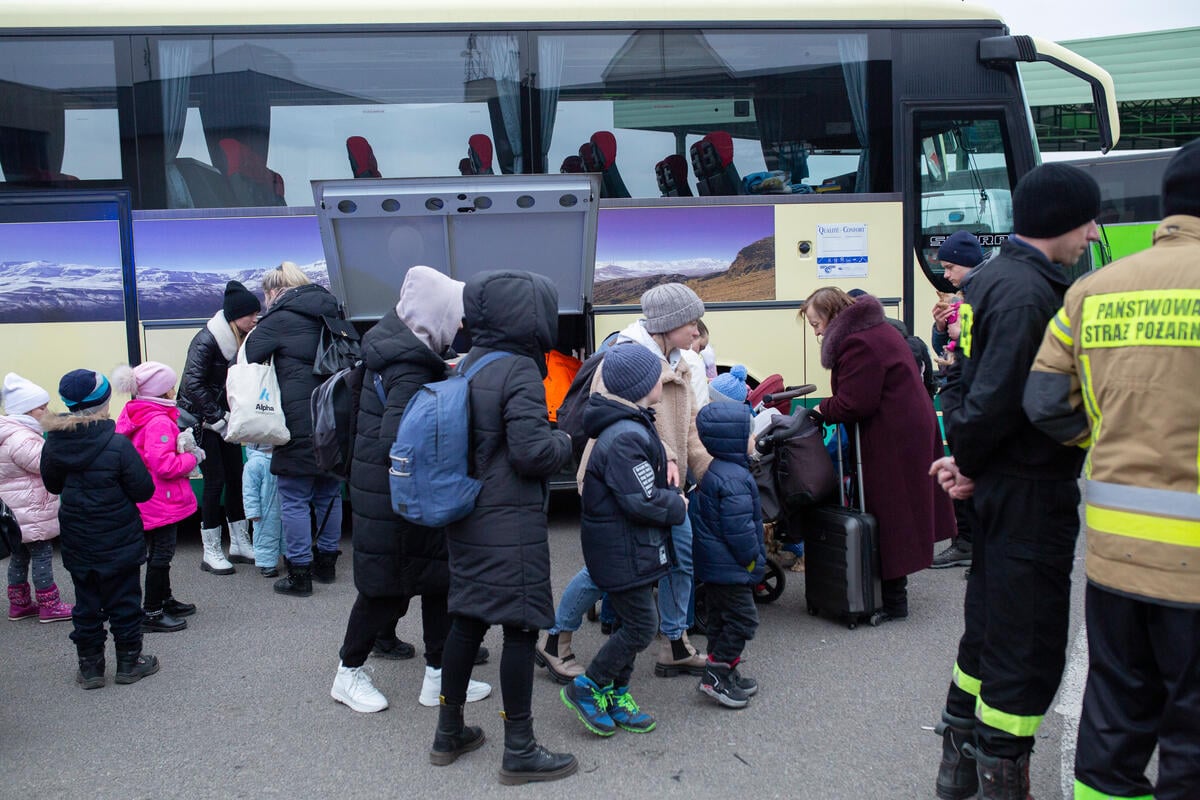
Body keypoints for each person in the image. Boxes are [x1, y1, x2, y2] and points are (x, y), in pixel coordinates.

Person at [1022, 140, 1200, 800]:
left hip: (1115, 556)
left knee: (1116, 715)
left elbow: (1043, 401)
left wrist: (1102, 438)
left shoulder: (1093, 291)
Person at [928, 163, 1100, 800]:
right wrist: (971, 462)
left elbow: (966, 383)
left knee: (989, 627)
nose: (1091, 233)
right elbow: (1002, 396)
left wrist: (968, 461)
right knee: (1026, 644)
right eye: (1087, 219)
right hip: (1029, 489)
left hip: (1002, 482)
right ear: (1064, 221)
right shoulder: (1032, 293)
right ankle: (1004, 777)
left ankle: (958, 766)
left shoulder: (994, 280)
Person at [429, 270, 577, 786]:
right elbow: (533, 453)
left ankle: (448, 732)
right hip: (508, 519)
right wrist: (567, 440)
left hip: (466, 514)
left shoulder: (470, 364)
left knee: (467, 621)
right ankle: (520, 748)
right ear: (530, 315)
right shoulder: (517, 370)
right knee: (519, 627)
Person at [332, 266, 491, 714]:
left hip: (401, 494)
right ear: (435, 314)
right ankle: (347, 674)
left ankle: (440, 677)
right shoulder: (406, 364)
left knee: (438, 582)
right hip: (394, 499)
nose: (459, 325)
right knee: (384, 591)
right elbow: (398, 437)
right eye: (455, 315)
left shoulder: (401, 348)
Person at [537, 283, 712, 682]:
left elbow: (688, 430)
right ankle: (555, 638)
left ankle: (674, 643)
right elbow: (609, 426)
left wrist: (707, 471)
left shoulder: (679, 361)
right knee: (607, 572)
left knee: (681, 559)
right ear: (668, 324)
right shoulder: (623, 362)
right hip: (622, 489)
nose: (697, 333)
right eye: (690, 323)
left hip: (666, 490)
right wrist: (663, 454)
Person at [804, 288, 954, 621]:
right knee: (894, 508)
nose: (816, 332)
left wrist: (820, 409)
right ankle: (890, 593)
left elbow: (857, 401)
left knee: (890, 509)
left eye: (816, 324)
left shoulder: (859, 342)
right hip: (903, 428)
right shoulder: (873, 329)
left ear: (831, 315)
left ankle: (894, 600)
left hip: (894, 435)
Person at [561, 342, 686, 736]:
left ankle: (617, 694)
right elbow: (641, 500)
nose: (661, 379)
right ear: (639, 385)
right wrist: (677, 504)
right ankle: (590, 686)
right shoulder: (625, 436)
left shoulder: (633, 422)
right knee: (641, 625)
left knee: (629, 623)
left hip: (630, 547)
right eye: (655, 375)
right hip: (623, 550)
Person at [40, 370, 158, 688]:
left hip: (78, 538)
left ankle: (90, 667)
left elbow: (52, 485)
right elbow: (144, 491)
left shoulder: (54, 443)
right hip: (119, 538)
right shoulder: (117, 445)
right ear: (104, 403)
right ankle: (129, 663)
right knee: (124, 601)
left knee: (86, 602)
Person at [244, 262, 344, 597]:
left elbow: (250, 355)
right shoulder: (332, 310)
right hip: (334, 416)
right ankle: (327, 564)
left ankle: (299, 573)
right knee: (329, 491)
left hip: (298, 419)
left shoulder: (279, 317)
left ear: (274, 291)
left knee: (294, 497)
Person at [178, 279, 261, 575]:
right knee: (214, 482)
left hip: (224, 420)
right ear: (234, 316)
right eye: (251, 314)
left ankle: (239, 542)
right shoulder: (207, 340)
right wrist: (217, 417)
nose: (255, 318)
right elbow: (192, 383)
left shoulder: (239, 338)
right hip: (203, 421)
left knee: (235, 478)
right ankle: (210, 550)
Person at [113, 362, 201, 633]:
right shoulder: (159, 421)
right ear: (162, 391)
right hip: (161, 499)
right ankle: (152, 610)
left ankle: (165, 599)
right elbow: (164, 465)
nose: (174, 389)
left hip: (150, 498)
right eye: (170, 385)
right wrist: (192, 457)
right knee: (162, 554)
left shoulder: (139, 413)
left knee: (160, 552)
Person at [692, 401, 766, 709]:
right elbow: (740, 531)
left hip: (715, 566)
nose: (753, 439)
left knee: (721, 619)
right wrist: (753, 561)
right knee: (743, 619)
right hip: (731, 565)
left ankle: (726, 669)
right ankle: (717, 674)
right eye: (749, 434)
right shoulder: (734, 479)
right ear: (733, 439)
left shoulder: (718, 472)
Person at [930, 231, 986, 572]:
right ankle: (968, 544)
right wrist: (940, 329)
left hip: (971, 401)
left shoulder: (984, 294)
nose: (947, 276)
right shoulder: (965, 297)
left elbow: (981, 345)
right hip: (960, 398)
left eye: (950, 267)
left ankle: (971, 545)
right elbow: (947, 352)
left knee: (968, 478)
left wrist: (959, 332)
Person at [1, 373, 71, 623]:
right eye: (42, 407)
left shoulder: (9, 433)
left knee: (19, 556)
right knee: (41, 555)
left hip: (16, 512)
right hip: (30, 510)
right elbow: (42, 464)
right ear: (27, 411)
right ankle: (49, 604)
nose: (47, 411)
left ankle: (19, 604)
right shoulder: (22, 437)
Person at [242, 443, 283, 577]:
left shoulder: (280, 458)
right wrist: (253, 511)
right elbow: (249, 491)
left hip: (282, 507)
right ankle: (267, 563)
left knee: (287, 535)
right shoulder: (254, 464)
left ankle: (291, 557)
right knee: (265, 536)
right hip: (264, 510)